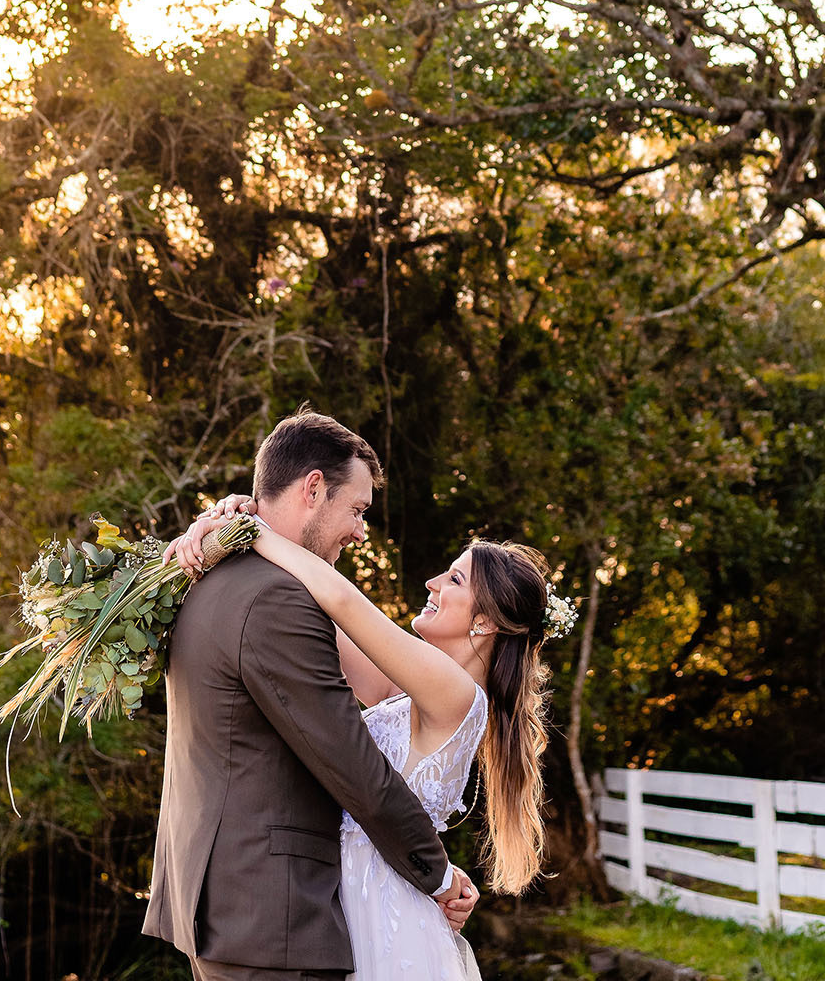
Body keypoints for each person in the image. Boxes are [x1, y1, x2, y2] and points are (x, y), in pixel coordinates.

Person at [170, 476, 558, 981]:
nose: (432, 584)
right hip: (357, 896)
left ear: (484, 623)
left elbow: (343, 603)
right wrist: (237, 519)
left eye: (455, 581)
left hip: (383, 914)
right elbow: (313, 614)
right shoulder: (410, 691)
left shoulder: (458, 694)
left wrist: (256, 532)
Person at [142, 410, 478, 981]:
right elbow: (351, 763)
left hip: (225, 906)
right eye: (357, 509)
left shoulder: (210, 575)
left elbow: (373, 685)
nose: (360, 530)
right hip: (272, 917)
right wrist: (439, 875)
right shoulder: (277, 600)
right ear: (314, 489)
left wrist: (234, 517)